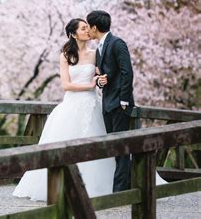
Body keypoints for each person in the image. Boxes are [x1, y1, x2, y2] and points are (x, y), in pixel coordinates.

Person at [13, 18, 116, 200]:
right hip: (72, 105)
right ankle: (61, 186)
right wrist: (90, 85)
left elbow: (102, 74)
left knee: (96, 142)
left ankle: (98, 185)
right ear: (73, 34)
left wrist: (100, 80)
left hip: (93, 104)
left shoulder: (95, 53)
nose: (88, 31)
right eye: (83, 28)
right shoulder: (66, 55)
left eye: (87, 28)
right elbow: (66, 85)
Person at [86, 10, 133, 192]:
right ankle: (123, 186)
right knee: (114, 148)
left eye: (88, 26)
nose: (88, 30)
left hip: (120, 105)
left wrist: (124, 101)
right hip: (107, 103)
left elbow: (127, 72)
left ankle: (120, 191)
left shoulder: (117, 43)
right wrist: (100, 80)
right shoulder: (100, 47)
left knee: (121, 148)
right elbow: (102, 75)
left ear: (94, 27)